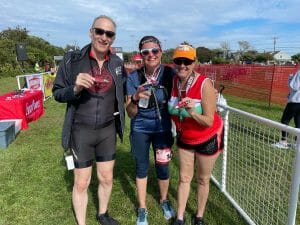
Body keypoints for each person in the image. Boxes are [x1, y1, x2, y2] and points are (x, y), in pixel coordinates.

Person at [52, 15, 126, 225]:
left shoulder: (118, 63)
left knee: (106, 178)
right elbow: (57, 93)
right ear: (90, 32)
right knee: (82, 182)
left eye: (109, 33)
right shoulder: (72, 59)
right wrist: (74, 88)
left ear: (113, 38)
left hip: (107, 129)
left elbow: (124, 93)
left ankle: (103, 214)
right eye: (99, 31)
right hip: (81, 130)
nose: (104, 37)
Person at [168, 44, 224, 225]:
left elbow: (208, 120)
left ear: (195, 63)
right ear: (174, 62)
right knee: (184, 178)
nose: (182, 65)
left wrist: (192, 112)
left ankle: (199, 216)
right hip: (185, 136)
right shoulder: (175, 82)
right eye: (178, 61)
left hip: (206, 137)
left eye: (187, 61)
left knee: (202, 179)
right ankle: (180, 217)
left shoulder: (204, 84)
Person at [126, 35, 176, 225]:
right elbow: (130, 113)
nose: (151, 55)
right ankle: (142, 208)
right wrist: (136, 98)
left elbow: (188, 81)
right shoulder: (133, 77)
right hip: (140, 126)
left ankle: (164, 200)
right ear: (141, 55)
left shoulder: (169, 74)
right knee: (141, 166)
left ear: (160, 52)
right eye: (146, 52)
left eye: (154, 50)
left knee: (163, 165)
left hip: (162, 126)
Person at [272, 69, 300, 149]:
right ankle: (297, 143)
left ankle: (283, 141)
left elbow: (294, 86)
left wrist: (291, 78)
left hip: (296, 100)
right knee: (298, 121)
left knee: (285, 120)